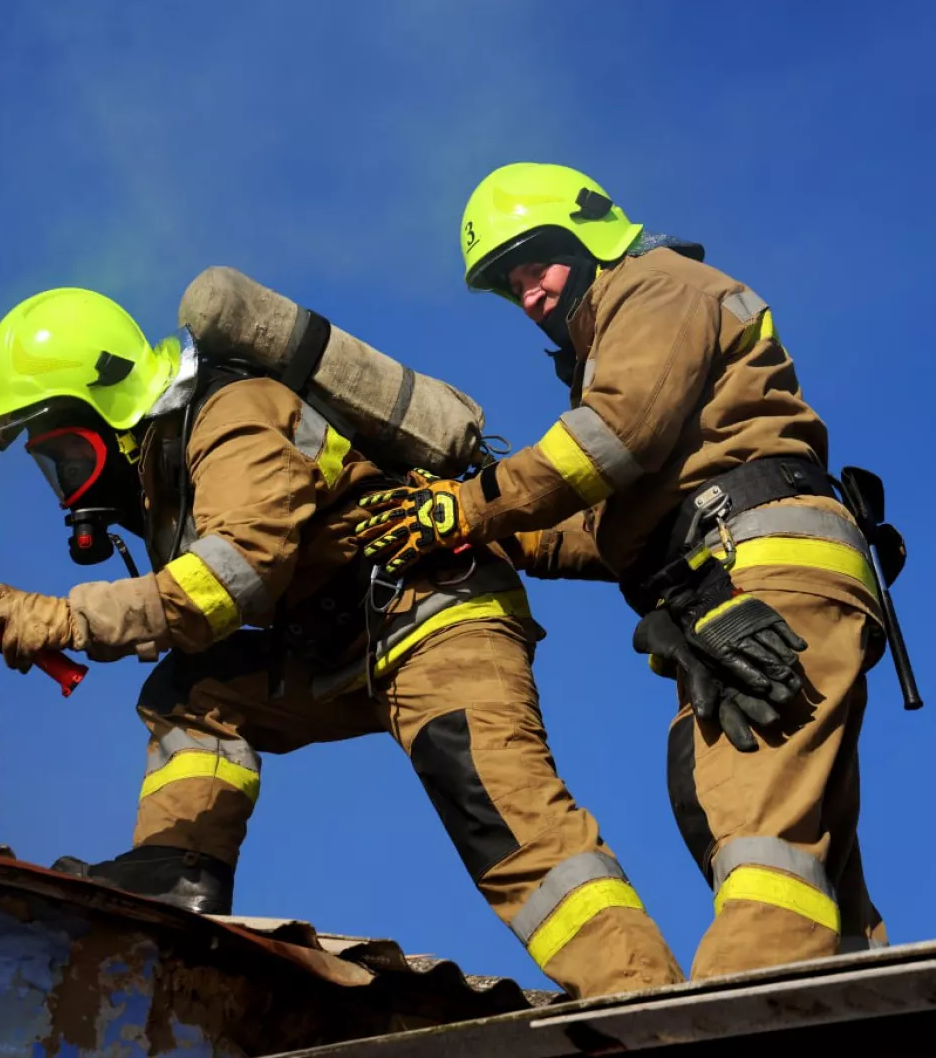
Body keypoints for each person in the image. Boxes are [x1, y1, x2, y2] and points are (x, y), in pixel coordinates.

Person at [0, 285, 684, 999]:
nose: (67, 485)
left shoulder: (229, 415)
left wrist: (71, 619)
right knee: (193, 692)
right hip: (341, 649)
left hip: (436, 618)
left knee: (503, 822)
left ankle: (641, 998)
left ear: (109, 403)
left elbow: (234, 578)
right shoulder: (166, 465)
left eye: (66, 452)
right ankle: (176, 872)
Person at [354, 162, 891, 978]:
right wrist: (495, 537)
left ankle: (739, 1017)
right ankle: (865, 993)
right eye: (510, 285)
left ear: (590, 232)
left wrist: (467, 506)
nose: (528, 294)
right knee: (776, 824)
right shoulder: (624, 331)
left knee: (754, 823)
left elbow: (610, 437)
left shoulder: (656, 286)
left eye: (536, 263)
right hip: (740, 573)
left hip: (765, 569)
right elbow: (609, 533)